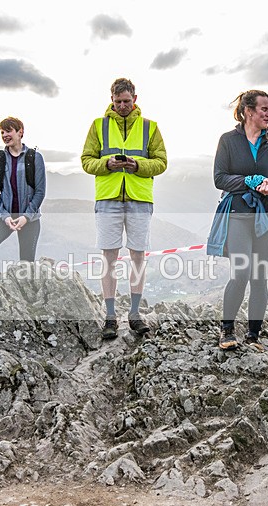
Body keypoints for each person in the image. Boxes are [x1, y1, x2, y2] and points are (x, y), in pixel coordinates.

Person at [207, 89, 268, 350]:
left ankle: (253, 336)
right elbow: (219, 178)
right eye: (264, 109)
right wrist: (248, 181)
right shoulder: (228, 140)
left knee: (259, 275)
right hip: (238, 212)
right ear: (248, 111)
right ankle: (227, 332)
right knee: (241, 272)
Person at [81, 77, 168, 339]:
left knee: (138, 256)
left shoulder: (150, 128)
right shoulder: (98, 126)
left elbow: (161, 162)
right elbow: (86, 161)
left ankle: (134, 314)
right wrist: (106, 164)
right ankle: (110, 316)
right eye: (118, 102)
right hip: (108, 198)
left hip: (139, 198)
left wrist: (138, 166)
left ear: (135, 99)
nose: (122, 106)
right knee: (109, 257)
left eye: (126, 101)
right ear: (111, 100)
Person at [0, 116, 46, 288]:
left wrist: (26, 216)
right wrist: (4, 216)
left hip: (29, 218)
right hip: (5, 215)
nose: (5, 135)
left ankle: (26, 297)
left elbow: (40, 192)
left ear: (20, 132)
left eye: (8, 131)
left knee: (26, 260)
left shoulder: (35, 157)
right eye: (2, 132)